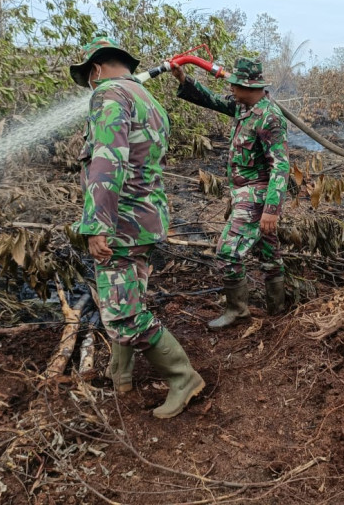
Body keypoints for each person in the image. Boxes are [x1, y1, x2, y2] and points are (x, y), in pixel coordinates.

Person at [69, 35, 205, 417]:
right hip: (144, 219)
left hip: (121, 225)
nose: (90, 85)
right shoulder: (150, 101)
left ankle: (183, 377)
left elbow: (107, 160)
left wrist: (97, 225)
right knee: (126, 296)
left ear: (96, 69)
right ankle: (121, 377)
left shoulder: (109, 95)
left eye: (89, 76)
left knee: (124, 314)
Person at [172, 57, 289, 329]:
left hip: (256, 198)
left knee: (227, 252)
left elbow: (281, 166)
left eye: (235, 84)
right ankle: (278, 311)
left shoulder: (270, 117)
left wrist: (271, 209)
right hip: (244, 194)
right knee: (270, 255)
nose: (231, 88)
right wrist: (183, 80)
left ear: (249, 86)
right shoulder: (243, 107)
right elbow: (212, 100)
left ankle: (238, 310)